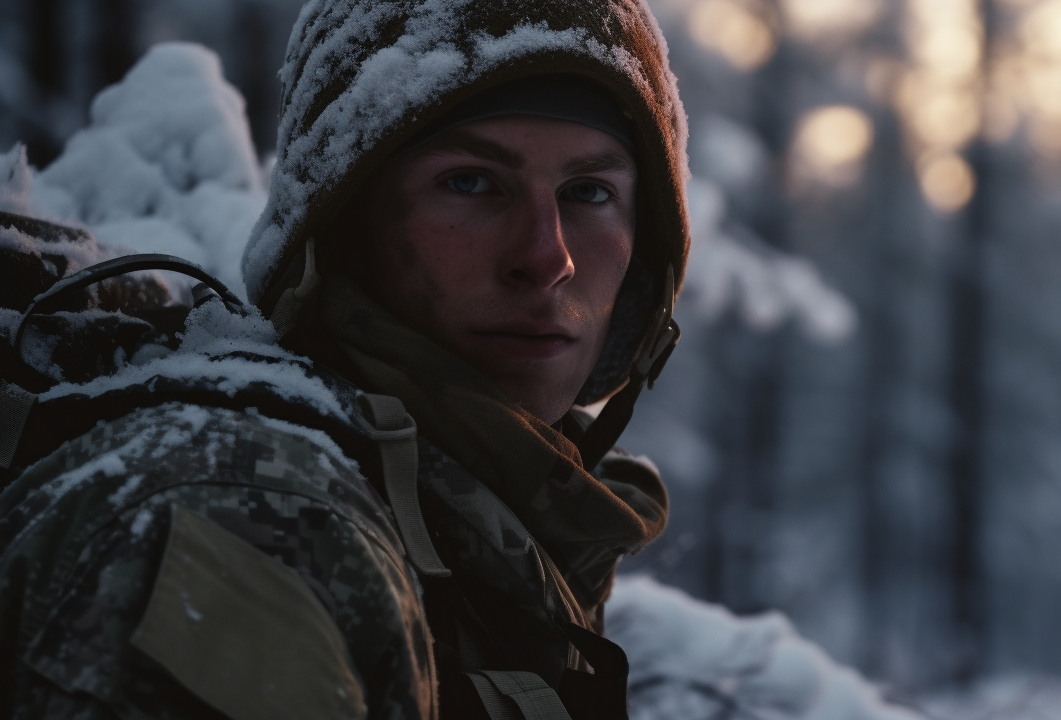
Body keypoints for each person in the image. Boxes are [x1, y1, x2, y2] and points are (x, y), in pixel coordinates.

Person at [0, 0, 689, 717]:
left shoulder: (477, 536)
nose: (547, 257)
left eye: (588, 192)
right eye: (471, 182)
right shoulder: (255, 523)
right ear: (341, 226)